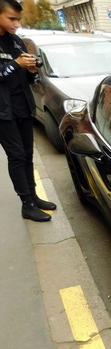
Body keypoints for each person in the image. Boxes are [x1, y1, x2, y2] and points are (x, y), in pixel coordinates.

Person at [0, 0, 56, 222]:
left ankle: (34, 196)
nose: (16, 23)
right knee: (17, 157)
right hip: (4, 113)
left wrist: (32, 71)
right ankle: (27, 204)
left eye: (18, 19)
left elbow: (26, 78)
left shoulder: (16, 42)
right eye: (12, 18)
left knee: (28, 155)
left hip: (23, 107)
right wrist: (16, 64)